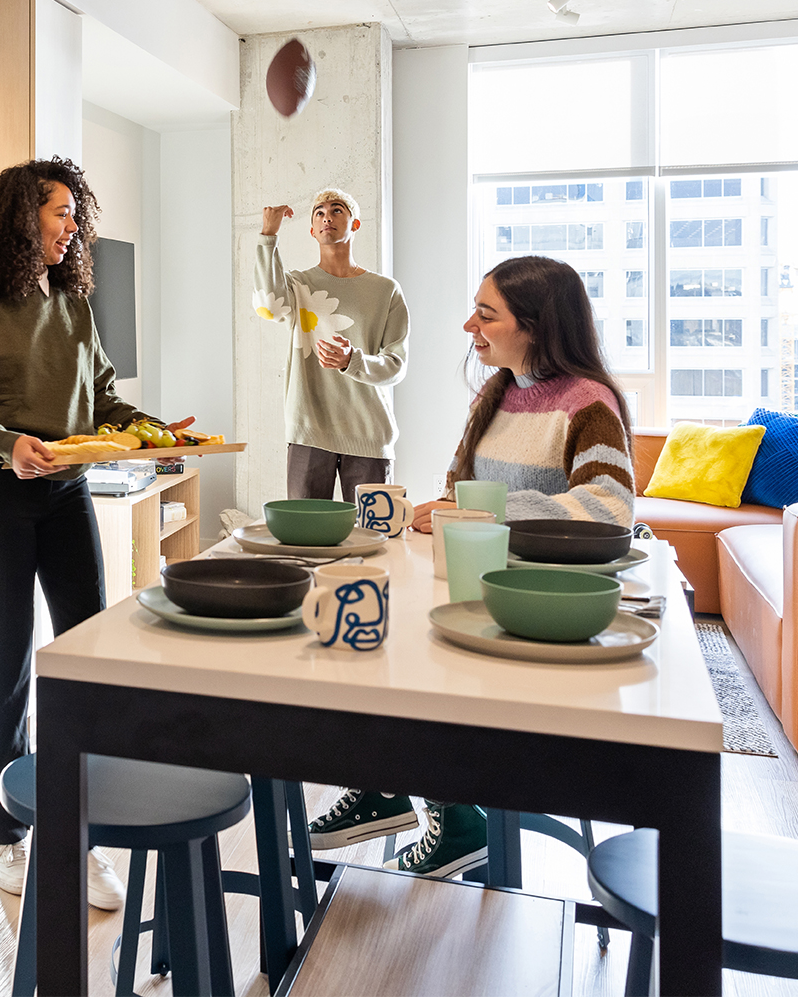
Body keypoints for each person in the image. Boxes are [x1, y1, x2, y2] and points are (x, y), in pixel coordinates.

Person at [0, 158, 191, 907]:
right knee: (0, 671)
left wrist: (154, 431)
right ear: (19, 219)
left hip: (67, 495)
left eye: (75, 215)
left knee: (84, 660)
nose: (73, 227)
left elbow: (100, 399)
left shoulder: (72, 306)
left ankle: (83, 832)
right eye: (60, 213)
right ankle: (4, 835)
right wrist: (6, 445)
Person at [306, 255, 635, 873]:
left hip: (538, 610)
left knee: (400, 649)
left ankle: (450, 814)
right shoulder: (498, 390)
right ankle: (387, 787)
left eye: (487, 315)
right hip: (484, 591)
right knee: (367, 634)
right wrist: (449, 512)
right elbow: (462, 495)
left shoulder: (587, 403)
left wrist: (486, 510)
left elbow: (610, 509)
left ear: (536, 326)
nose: (469, 326)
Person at [255, 189, 409, 502]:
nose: (328, 217)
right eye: (320, 212)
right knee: (306, 538)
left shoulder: (385, 290)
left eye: (337, 210)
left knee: (373, 538)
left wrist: (353, 360)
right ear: (313, 230)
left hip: (369, 432)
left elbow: (396, 365)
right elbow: (268, 306)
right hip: (309, 429)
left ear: (355, 224)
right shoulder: (298, 284)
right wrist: (268, 236)